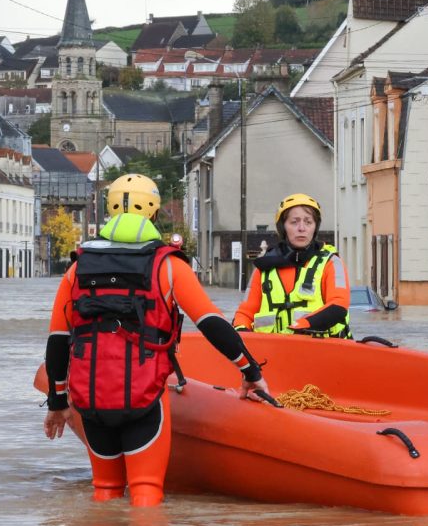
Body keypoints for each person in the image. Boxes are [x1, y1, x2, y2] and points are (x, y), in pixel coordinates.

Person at [42, 173, 271, 506]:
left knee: (104, 490)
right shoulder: (168, 266)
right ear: (152, 211)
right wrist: (250, 372)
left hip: (91, 400)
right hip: (144, 398)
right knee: (146, 489)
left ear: (108, 209)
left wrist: (58, 403)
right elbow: (211, 324)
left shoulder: (77, 270)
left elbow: (58, 341)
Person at [233, 193, 351, 338]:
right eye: (294, 222)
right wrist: (241, 331)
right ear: (283, 228)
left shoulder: (331, 263)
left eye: (308, 222)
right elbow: (245, 313)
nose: (302, 228)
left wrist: (301, 326)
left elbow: (339, 305)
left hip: (323, 353)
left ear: (315, 227)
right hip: (273, 355)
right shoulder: (264, 268)